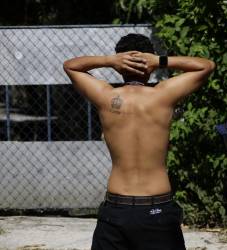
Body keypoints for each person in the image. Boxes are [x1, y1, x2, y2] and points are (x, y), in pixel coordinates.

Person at [63, 33, 215, 250]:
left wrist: (109, 61)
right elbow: (206, 66)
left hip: (116, 208)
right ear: (149, 63)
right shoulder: (163, 95)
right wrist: (159, 61)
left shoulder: (106, 96)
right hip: (157, 208)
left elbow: (70, 66)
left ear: (119, 65)